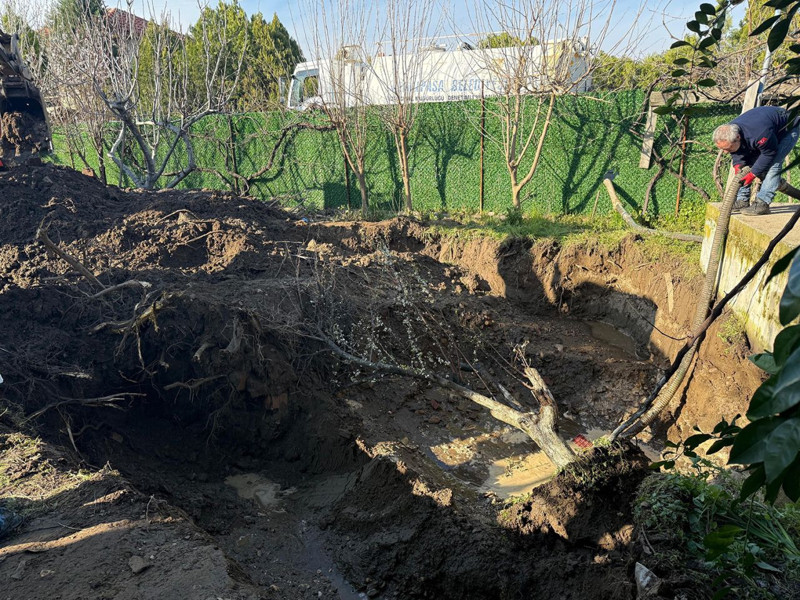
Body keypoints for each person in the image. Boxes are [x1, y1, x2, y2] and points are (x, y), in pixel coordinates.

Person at [712, 105, 800, 215]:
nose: (725, 152)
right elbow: (738, 154)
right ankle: (742, 201)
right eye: (722, 149)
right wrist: (738, 165)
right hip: (767, 127)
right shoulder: (732, 131)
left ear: (738, 137)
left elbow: (769, 154)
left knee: (774, 165)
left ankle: (763, 203)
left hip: (788, 128)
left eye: (727, 148)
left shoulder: (759, 133)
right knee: (744, 167)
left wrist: (753, 173)